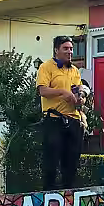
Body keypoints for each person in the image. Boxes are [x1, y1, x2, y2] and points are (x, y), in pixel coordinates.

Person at [37, 36, 84, 190]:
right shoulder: (46, 67)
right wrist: (62, 92)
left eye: (71, 48)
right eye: (66, 48)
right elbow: (42, 90)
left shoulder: (75, 70)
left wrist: (80, 99)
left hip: (74, 120)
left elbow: (78, 91)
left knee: (71, 164)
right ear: (56, 50)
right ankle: (48, 197)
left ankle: (69, 197)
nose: (70, 52)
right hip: (54, 120)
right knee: (51, 163)